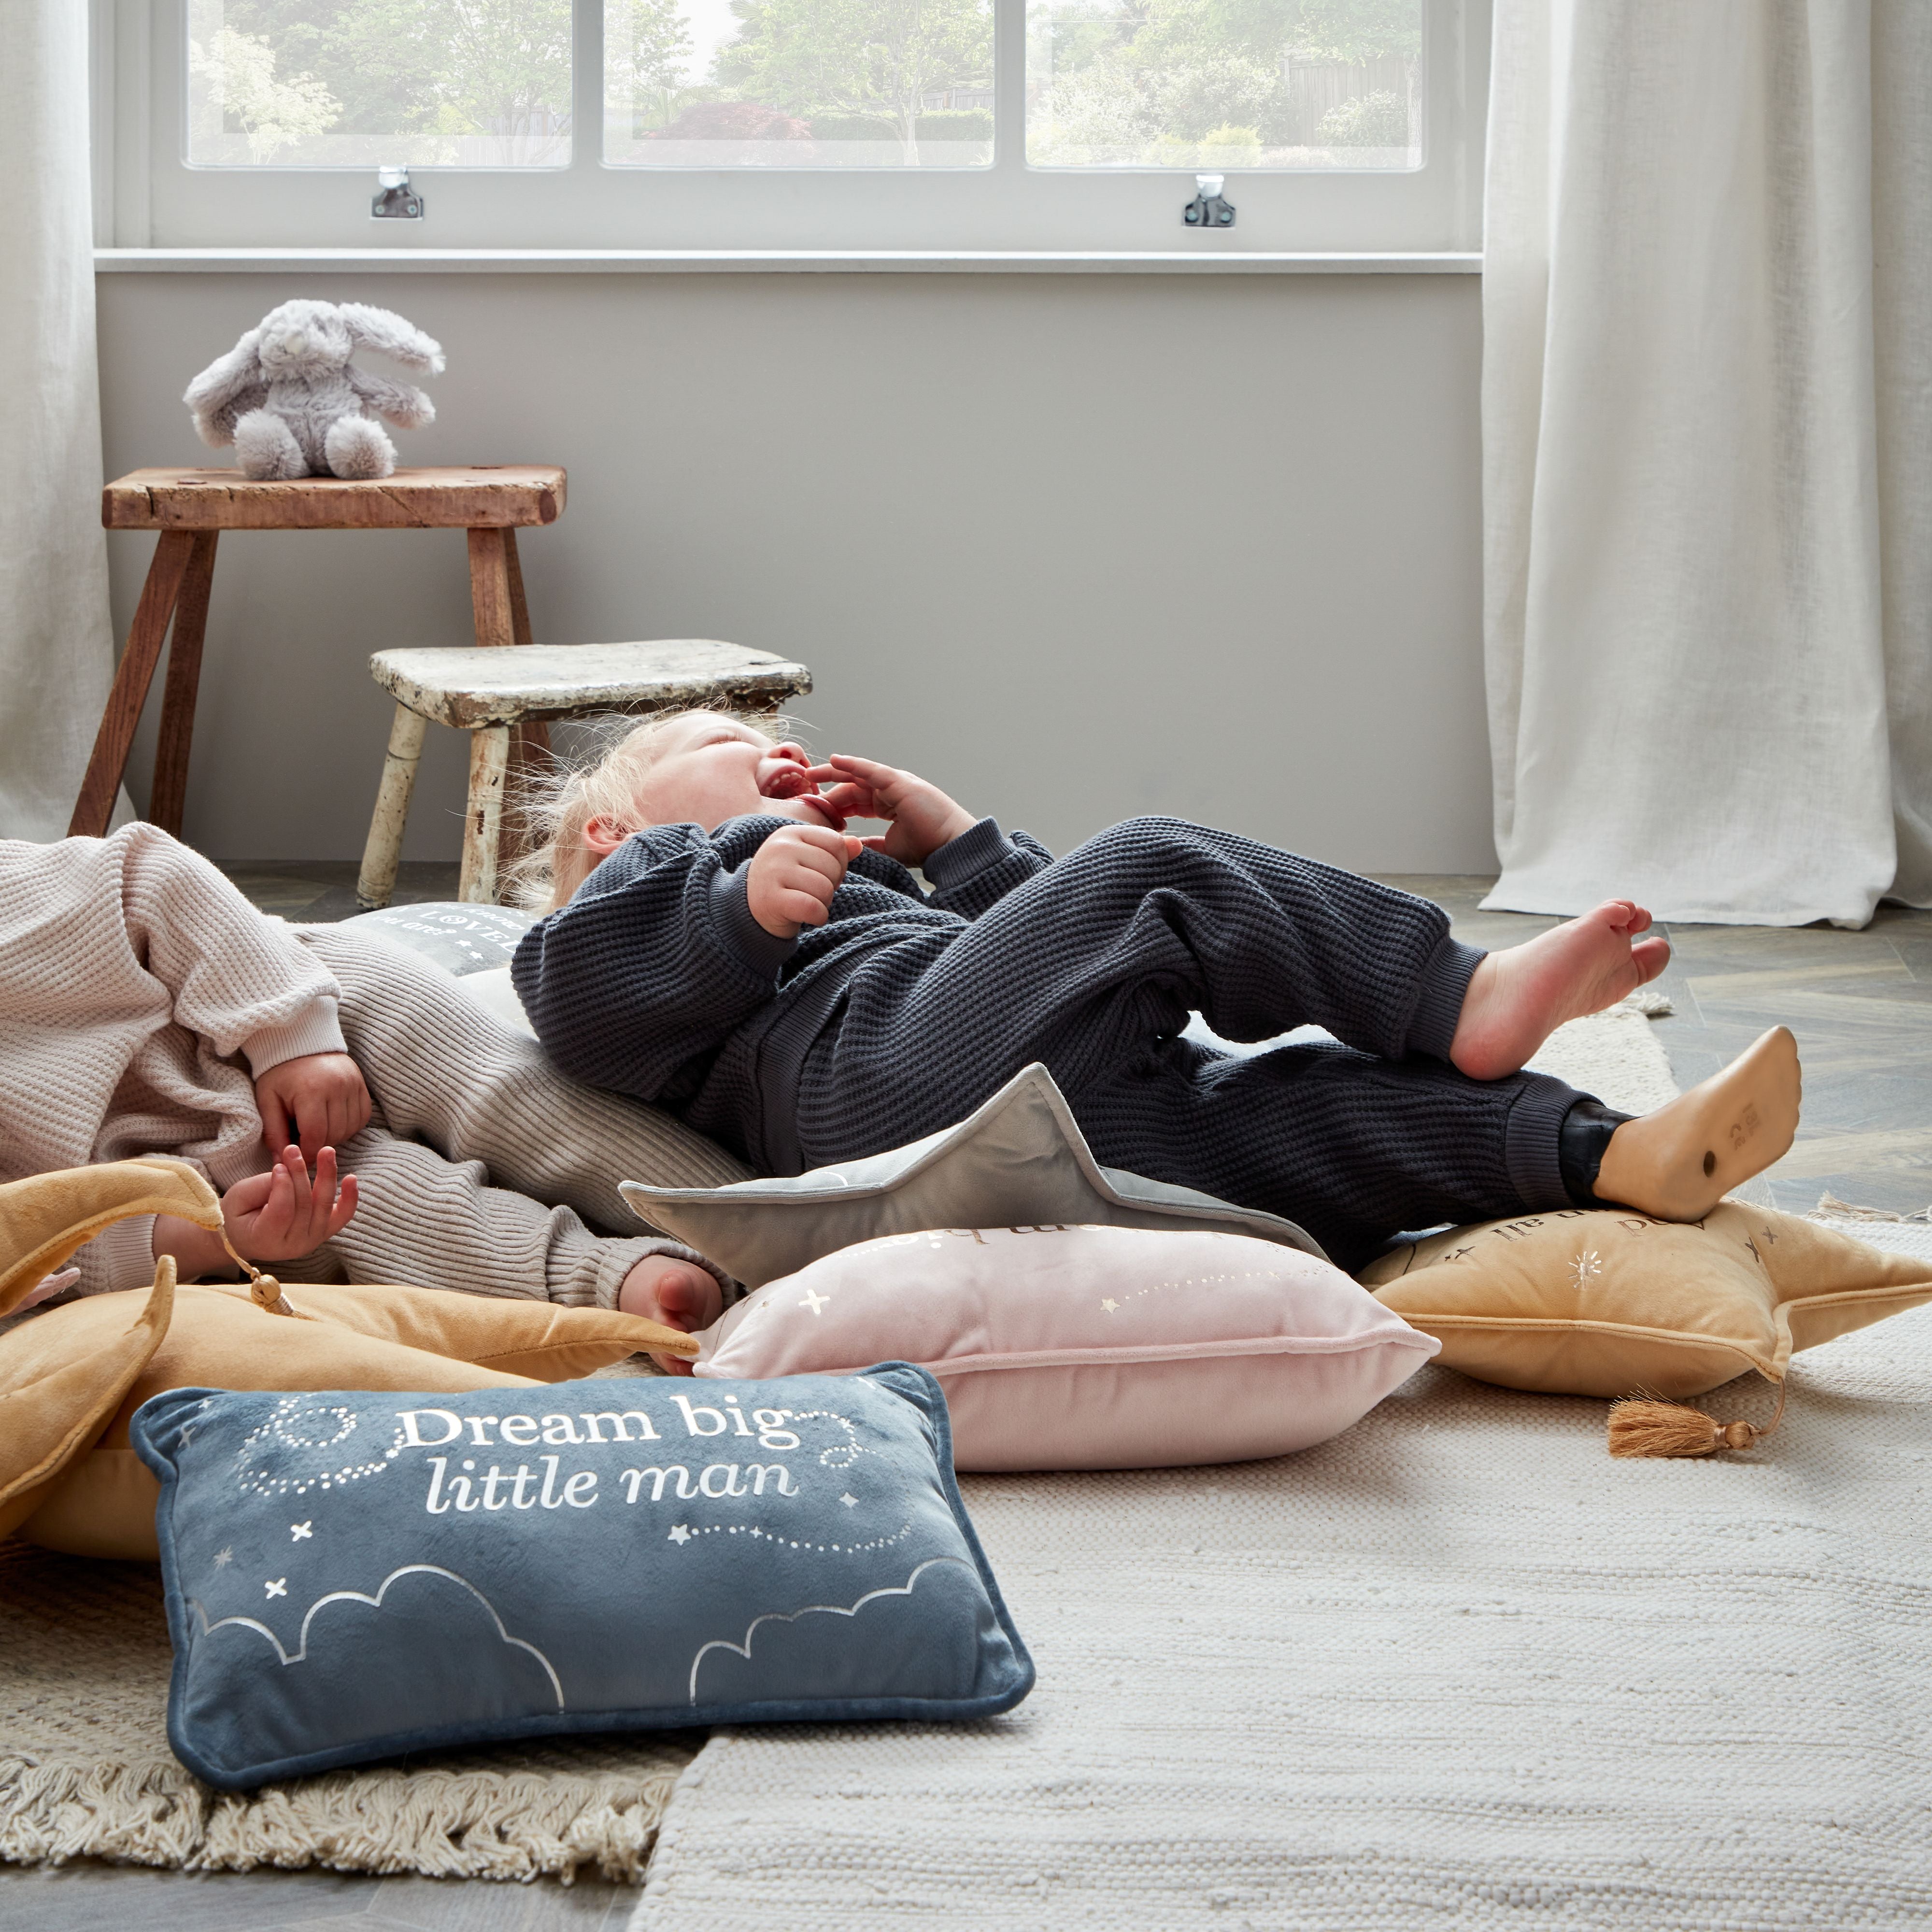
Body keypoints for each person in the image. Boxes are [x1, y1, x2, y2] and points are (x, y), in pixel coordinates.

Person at [512, 711, 1802, 1272]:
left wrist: (954, 839)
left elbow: (1039, 945)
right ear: (612, 828)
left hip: (1065, 1108)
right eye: (730, 744)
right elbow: (581, 999)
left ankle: (1608, 1155)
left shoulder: (851, 883)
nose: (780, 749)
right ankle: (1459, 994)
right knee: (1151, 867)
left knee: (1308, 1109)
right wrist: (731, 902)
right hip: (875, 1089)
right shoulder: (634, 894)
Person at [0, 825, 736, 1357]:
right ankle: (624, 1285)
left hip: (302, 1006)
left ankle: (761, 1221)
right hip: (227, 1179)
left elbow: (157, 880)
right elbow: (41, 1252)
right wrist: (208, 1237)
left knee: (520, 1106)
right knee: (395, 1220)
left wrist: (293, 1041)